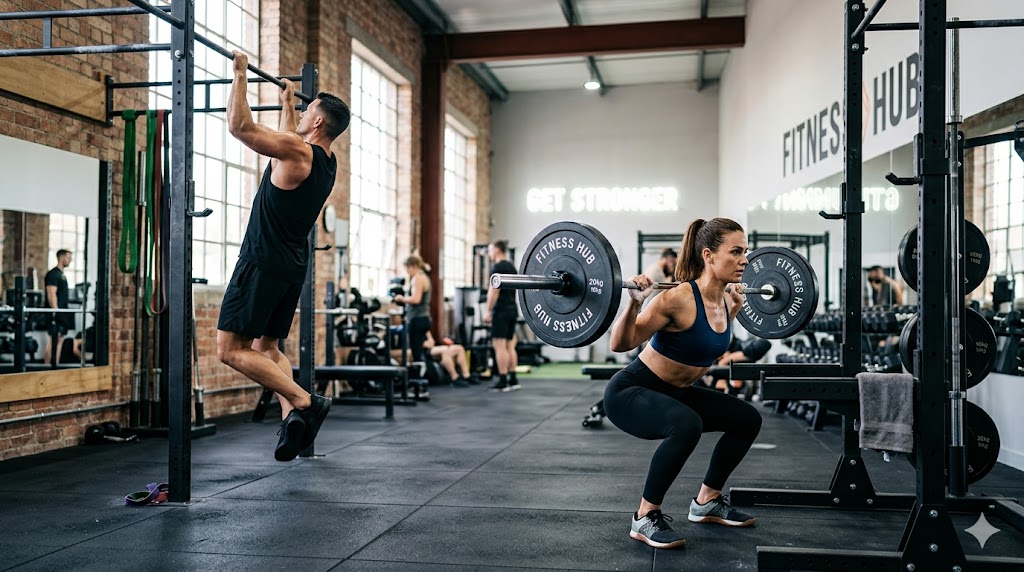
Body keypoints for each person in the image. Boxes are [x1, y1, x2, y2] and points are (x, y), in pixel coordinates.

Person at [216, 51, 350, 463]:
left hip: (261, 260)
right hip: (291, 265)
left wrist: (239, 75)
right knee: (268, 348)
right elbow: (289, 143)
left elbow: (240, 126)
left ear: (319, 122)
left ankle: (305, 402)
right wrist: (289, 102)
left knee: (230, 349)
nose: (304, 116)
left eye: (309, 110)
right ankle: (292, 418)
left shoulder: (298, 151)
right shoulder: (325, 161)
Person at [606, 217, 763, 549]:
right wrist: (635, 302)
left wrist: (734, 311)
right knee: (686, 424)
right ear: (708, 255)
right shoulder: (676, 299)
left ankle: (707, 500)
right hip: (632, 392)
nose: (745, 260)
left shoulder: (725, 301)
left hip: (676, 392)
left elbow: (706, 344)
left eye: (745, 251)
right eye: (736, 252)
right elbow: (621, 344)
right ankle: (645, 516)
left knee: (747, 419)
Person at [485, 240, 520, 391]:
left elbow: (494, 291)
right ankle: (513, 379)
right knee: (509, 345)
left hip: (501, 310)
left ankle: (503, 380)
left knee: (499, 345)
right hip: (512, 308)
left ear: (497, 250)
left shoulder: (498, 267)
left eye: (490, 250)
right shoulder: (512, 267)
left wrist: (487, 310)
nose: (489, 253)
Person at [394, 255, 432, 364]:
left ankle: (420, 376)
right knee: (419, 349)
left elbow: (416, 299)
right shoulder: (424, 277)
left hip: (418, 319)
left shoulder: (418, 279)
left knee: (416, 350)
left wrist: (401, 298)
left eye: (407, 268)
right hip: (422, 318)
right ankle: (422, 373)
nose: (407, 272)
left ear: (413, 266)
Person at [43, 249, 74, 364]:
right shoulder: (53, 274)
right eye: (68, 257)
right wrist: (55, 312)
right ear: (61, 257)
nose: (70, 260)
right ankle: (47, 368)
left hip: (62, 312)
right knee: (54, 340)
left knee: (59, 339)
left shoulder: (61, 275)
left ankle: (55, 367)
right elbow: (51, 294)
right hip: (56, 313)